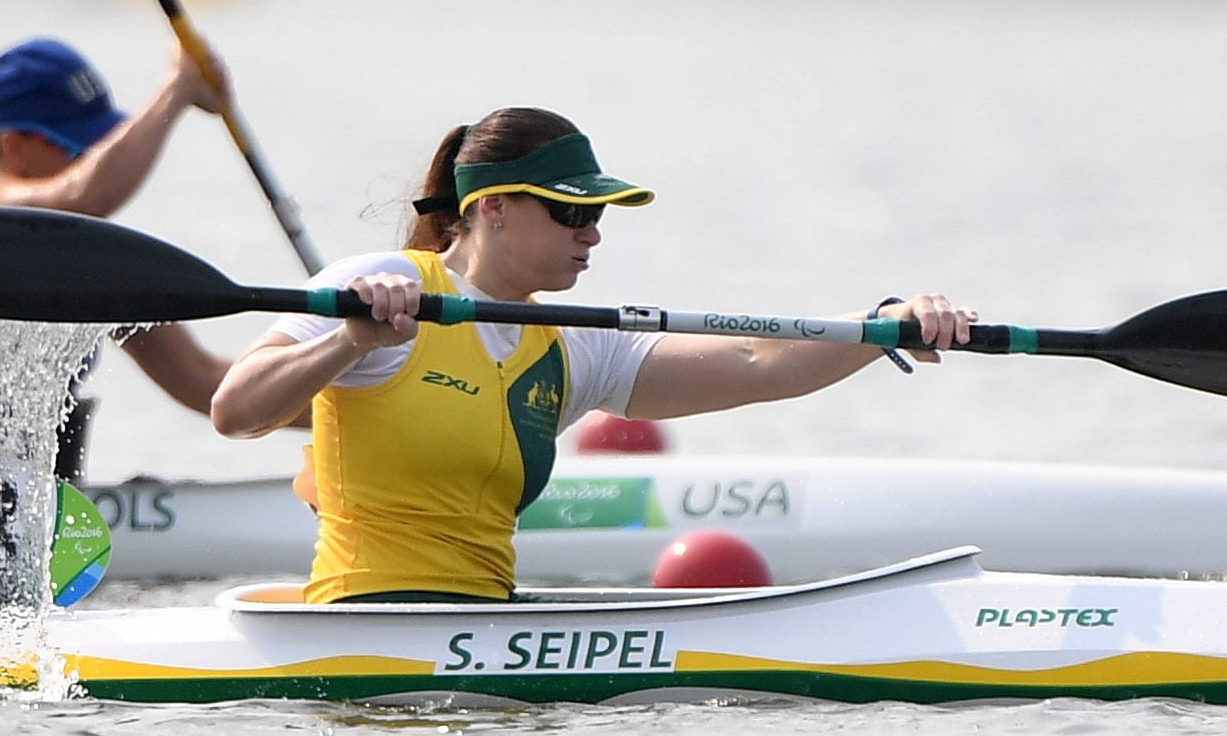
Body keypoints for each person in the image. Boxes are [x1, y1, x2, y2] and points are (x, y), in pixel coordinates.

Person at [207, 106, 970, 603]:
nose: (593, 232)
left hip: (481, 624)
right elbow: (234, 409)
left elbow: (755, 363)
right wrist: (351, 340)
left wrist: (882, 325)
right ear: (492, 208)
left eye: (597, 211)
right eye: (571, 210)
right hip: (360, 621)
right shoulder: (387, 285)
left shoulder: (569, 343)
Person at [0, 36, 231, 470]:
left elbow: (205, 382)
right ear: (13, 145)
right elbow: (82, 195)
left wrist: (330, 389)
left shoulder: (83, 256)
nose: (93, 160)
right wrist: (178, 88)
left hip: (29, 492)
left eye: (100, 145)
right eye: (78, 149)